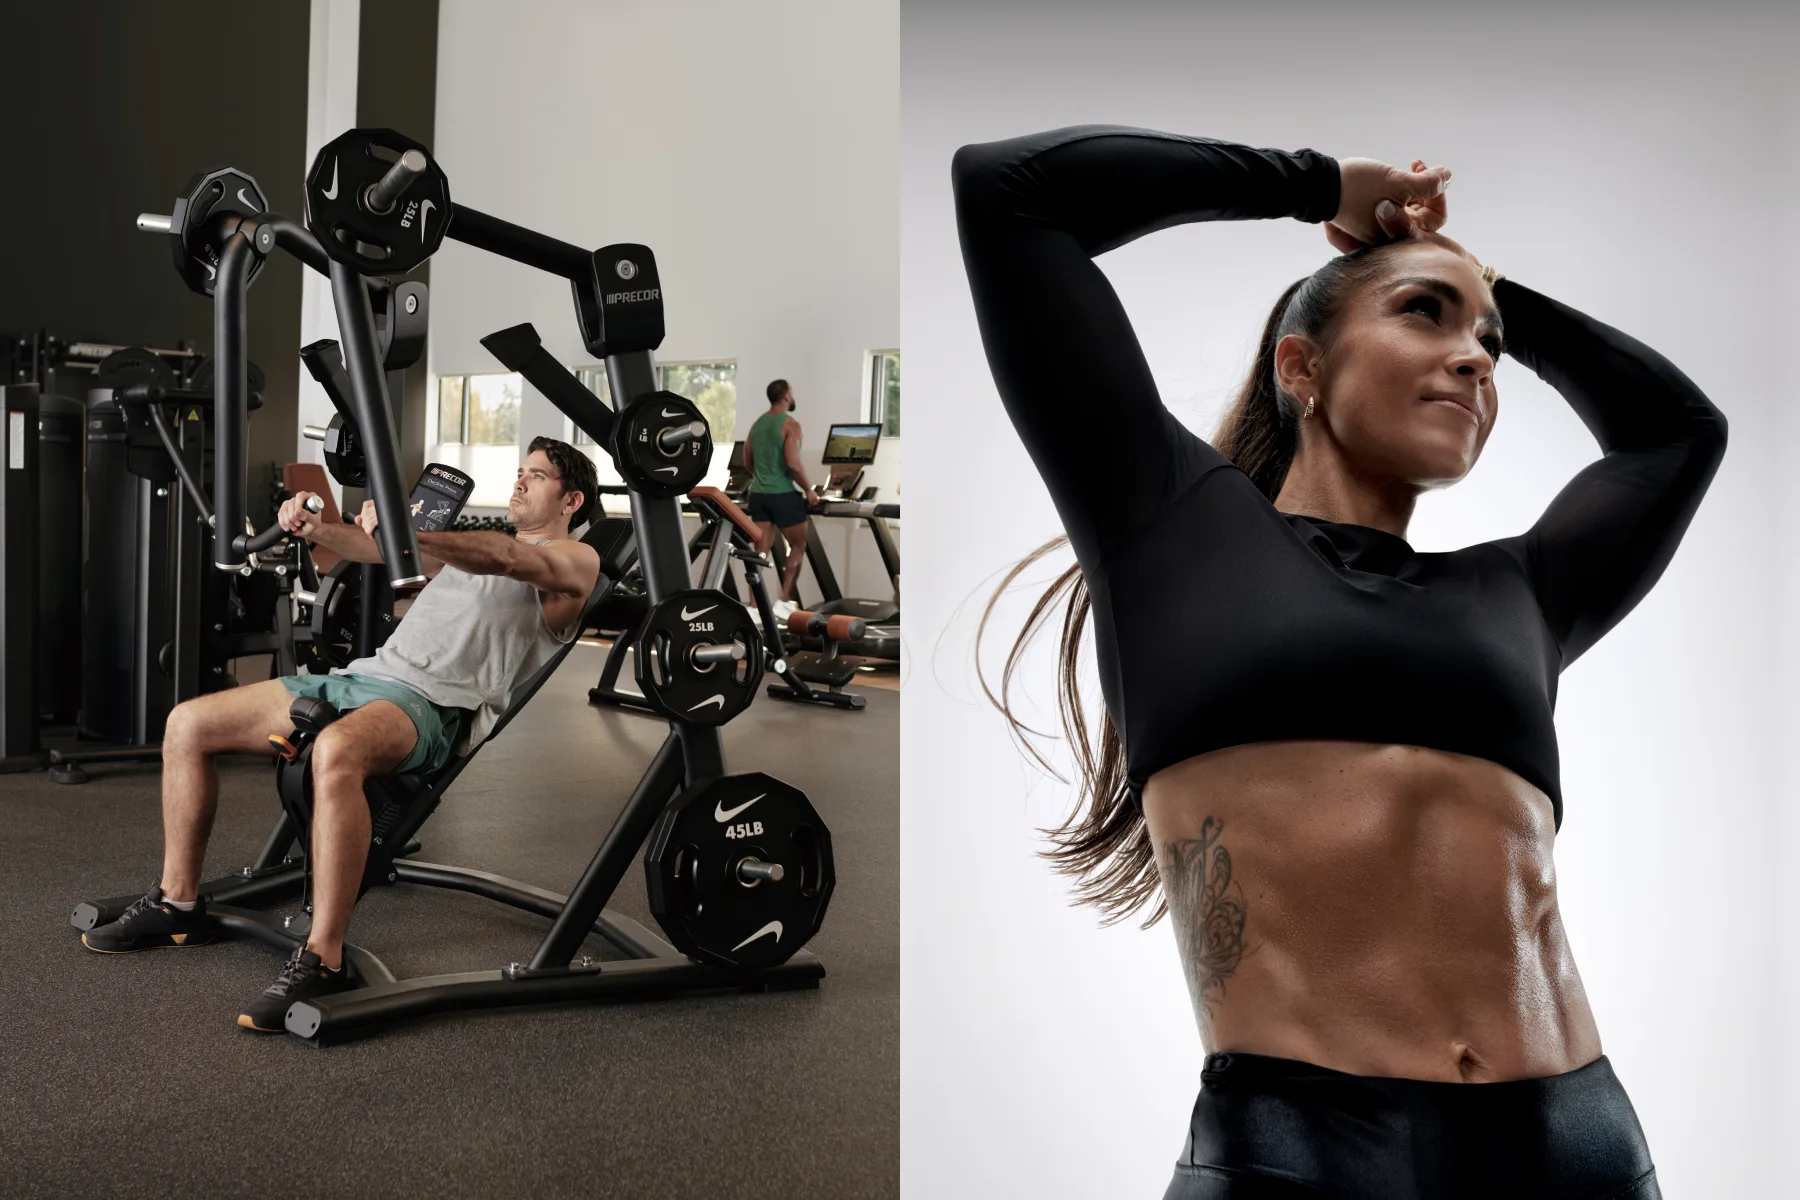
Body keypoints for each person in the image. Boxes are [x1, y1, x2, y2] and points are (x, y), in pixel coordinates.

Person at [954, 126, 1726, 1199]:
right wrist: (1323, 185)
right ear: (1301, 366)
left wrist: (1476, 278)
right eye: (1424, 315)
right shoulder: (1169, 530)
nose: (1477, 358)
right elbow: (1009, 193)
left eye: (1490, 345)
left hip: (1581, 1144)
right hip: (1307, 1152)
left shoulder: (1518, 595)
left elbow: (1679, 433)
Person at [80, 437, 603, 1033]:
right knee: (188, 724)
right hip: (363, 677)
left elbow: (508, 561)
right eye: (518, 472)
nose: (518, 482)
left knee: (334, 753)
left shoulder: (575, 563)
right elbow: (372, 548)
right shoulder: (467, 548)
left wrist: (409, 535)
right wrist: (314, 526)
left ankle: (323, 957)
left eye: (534, 477)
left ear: (572, 500)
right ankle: (177, 904)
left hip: (432, 706)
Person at [744, 377, 822, 615]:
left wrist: (763, 478)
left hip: (757, 494)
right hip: (783, 495)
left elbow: (747, 460)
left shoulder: (756, 424)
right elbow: (793, 463)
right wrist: (809, 489)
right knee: (798, 544)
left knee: (760, 550)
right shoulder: (791, 425)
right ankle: (784, 601)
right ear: (787, 396)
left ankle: (755, 607)